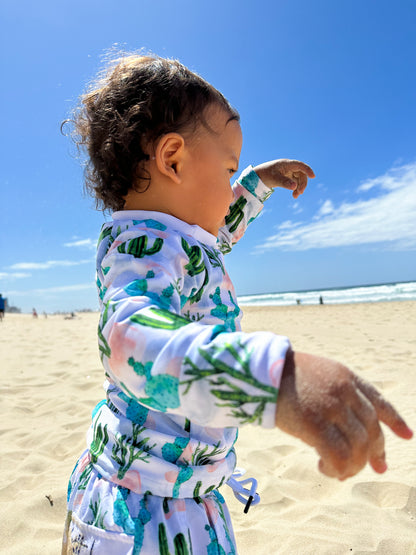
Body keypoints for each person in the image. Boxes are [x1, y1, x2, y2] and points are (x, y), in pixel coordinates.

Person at [62, 54, 412, 554]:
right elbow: (128, 337)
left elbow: (219, 232)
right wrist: (273, 380)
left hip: (188, 489)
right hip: (144, 507)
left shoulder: (182, 239)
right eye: (227, 171)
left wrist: (257, 182)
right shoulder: (140, 248)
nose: (230, 191)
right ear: (173, 159)